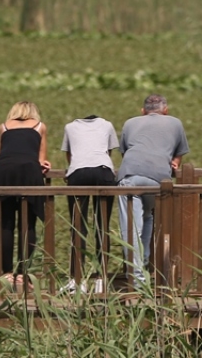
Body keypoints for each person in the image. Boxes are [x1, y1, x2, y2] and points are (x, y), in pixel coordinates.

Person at [116, 94, 190, 288]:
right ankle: (145, 267)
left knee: (131, 227)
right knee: (147, 217)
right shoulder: (175, 123)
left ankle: (137, 279)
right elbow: (179, 154)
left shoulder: (130, 123)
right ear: (165, 110)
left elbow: (125, 152)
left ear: (143, 111)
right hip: (158, 178)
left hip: (131, 175)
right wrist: (174, 163)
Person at [0, 101, 50, 287]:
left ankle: (6, 273)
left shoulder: (4, 127)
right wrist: (45, 164)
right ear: (34, 113)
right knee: (28, 223)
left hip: (3, 171)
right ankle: (22, 274)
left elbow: (0, 154)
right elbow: (41, 159)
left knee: (5, 222)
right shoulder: (39, 127)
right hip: (28, 171)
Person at [60, 113, 119, 294]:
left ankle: (77, 279)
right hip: (103, 171)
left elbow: (70, 155)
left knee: (78, 227)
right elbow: (108, 153)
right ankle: (101, 278)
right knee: (102, 226)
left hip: (78, 173)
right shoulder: (107, 124)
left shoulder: (70, 127)